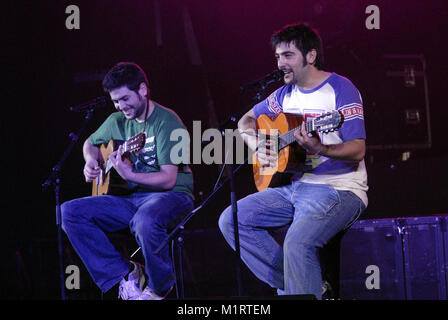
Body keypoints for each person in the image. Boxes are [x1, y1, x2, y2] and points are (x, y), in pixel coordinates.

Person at [218, 23, 368, 300]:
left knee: (297, 244)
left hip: (339, 188)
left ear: (310, 56)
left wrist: (320, 148)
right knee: (232, 220)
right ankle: (301, 287)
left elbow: (358, 150)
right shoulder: (284, 94)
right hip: (297, 188)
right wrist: (257, 144)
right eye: (277, 57)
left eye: (288, 55)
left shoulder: (340, 88)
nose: (280, 63)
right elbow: (245, 121)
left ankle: (301, 289)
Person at [61, 62, 194, 300]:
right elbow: (89, 143)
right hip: (132, 199)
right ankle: (126, 276)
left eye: (124, 99)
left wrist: (129, 174)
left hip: (172, 195)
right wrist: (90, 161)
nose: (121, 106)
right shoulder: (117, 121)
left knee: (145, 220)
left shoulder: (167, 121)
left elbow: (168, 179)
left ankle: (159, 288)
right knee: (68, 212)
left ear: (142, 89)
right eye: (115, 101)